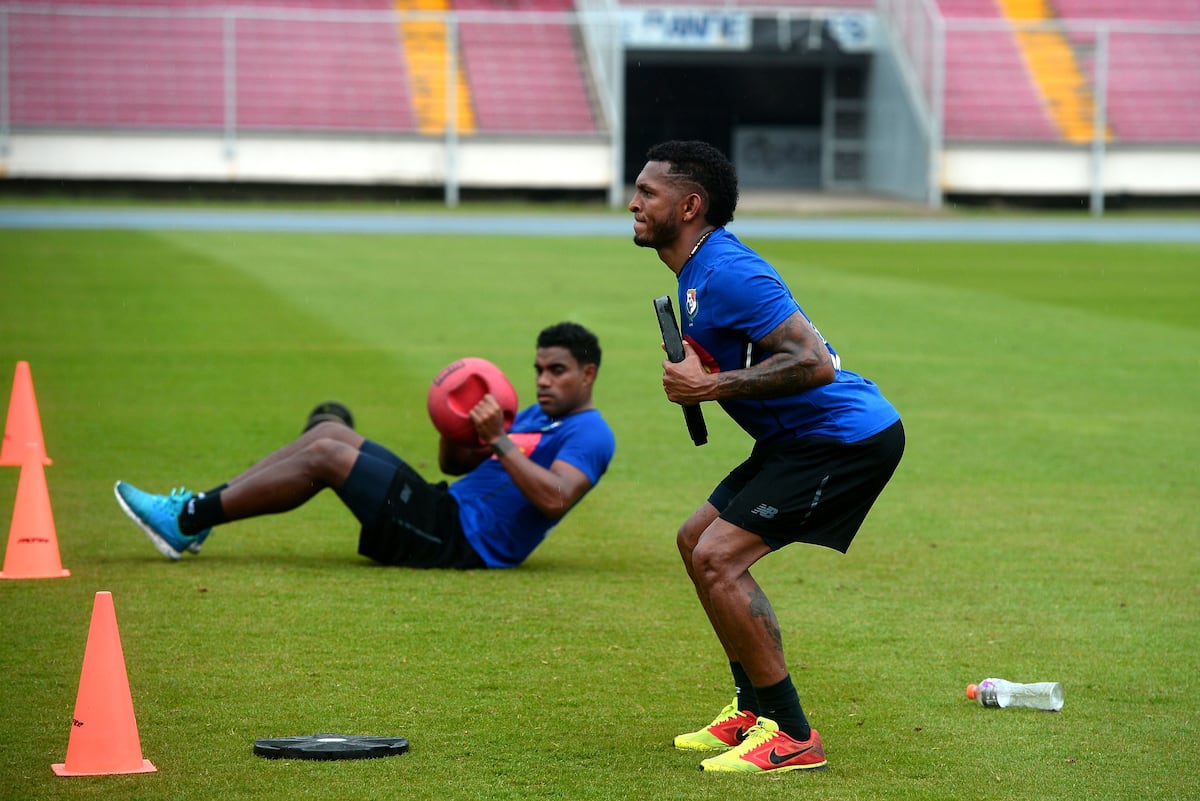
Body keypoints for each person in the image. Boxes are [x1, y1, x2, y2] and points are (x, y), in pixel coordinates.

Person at [629, 141, 904, 774]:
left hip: (845, 437)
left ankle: (794, 735)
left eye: (648, 193)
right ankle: (752, 713)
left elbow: (813, 362)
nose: (634, 203)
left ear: (690, 205)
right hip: (797, 440)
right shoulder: (695, 269)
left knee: (719, 558)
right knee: (693, 538)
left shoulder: (728, 270)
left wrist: (710, 386)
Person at [114, 322, 615, 570]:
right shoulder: (532, 415)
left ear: (587, 374)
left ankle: (185, 522)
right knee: (329, 434)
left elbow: (554, 498)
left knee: (327, 456)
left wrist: (499, 441)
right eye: (538, 370)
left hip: (461, 543)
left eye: (557, 371)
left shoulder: (591, 433)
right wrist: (456, 423)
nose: (543, 381)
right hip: (443, 506)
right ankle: (196, 512)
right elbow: (455, 465)